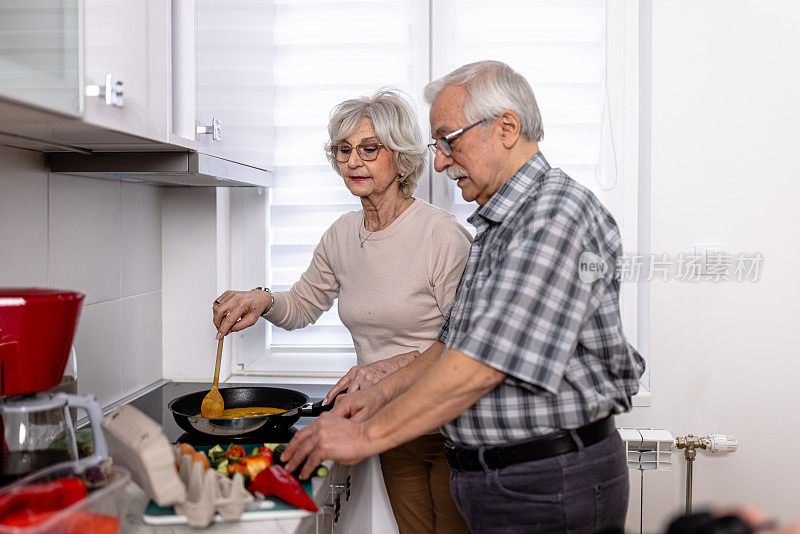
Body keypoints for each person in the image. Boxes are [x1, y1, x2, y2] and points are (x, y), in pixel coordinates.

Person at [281, 60, 646, 534]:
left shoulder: (553, 215)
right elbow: (450, 345)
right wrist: (378, 393)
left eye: (448, 140)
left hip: (547, 481)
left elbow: (480, 364)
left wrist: (366, 434)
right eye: (436, 145)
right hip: (507, 478)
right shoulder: (500, 225)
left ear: (507, 128)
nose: (439, 160)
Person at [212, 89, 472, 534]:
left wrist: (384, 369)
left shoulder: (440, 235)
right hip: (391, 423)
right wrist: (262, 299)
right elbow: (301, 305)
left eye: (370, 149)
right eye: (344, 150)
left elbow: (466, 343)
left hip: (452, 428)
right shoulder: (341, 235)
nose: (354, 162)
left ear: (402, 158)